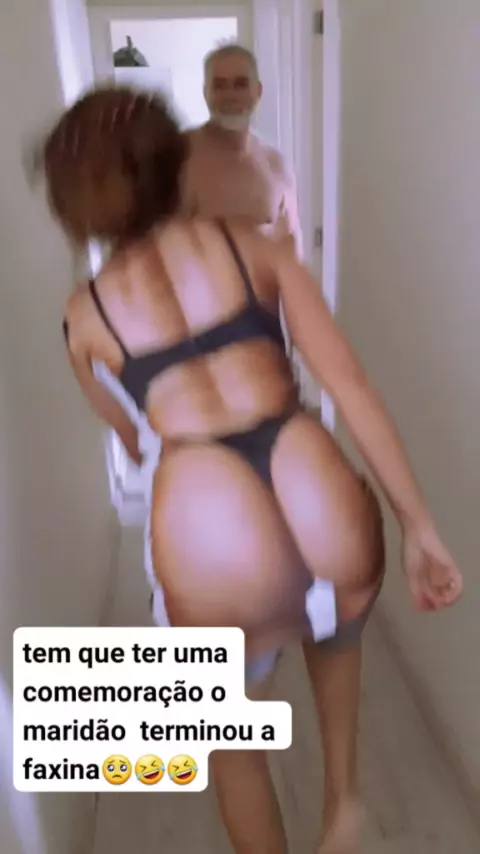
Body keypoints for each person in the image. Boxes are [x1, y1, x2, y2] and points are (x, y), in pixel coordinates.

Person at [36, 86, 462, 854]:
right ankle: (344, 802)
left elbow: (127, 434)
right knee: (333, 629)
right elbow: (350, 385)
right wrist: (420, 526)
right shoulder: (253, 246)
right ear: (175, 161)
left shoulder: (83, 317)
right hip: (317, 494)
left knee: (231, 751)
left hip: (214, 546)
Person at [180, 43, 302, 257]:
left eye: (241, 84)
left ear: (258, 91)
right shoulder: (177, 155)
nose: (230, 95)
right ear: (206, 93)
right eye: (219, 85)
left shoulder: (276, 165)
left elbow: (291, 247)